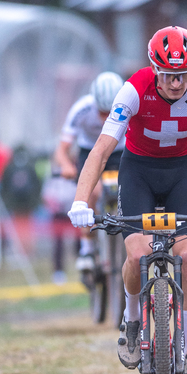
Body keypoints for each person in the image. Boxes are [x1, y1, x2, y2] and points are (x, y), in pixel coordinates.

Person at [67, 25, 187, 374]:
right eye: (167, 75)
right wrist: (80, 201)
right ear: (154, 69)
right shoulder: (133, 89)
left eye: (182, 75)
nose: (176, 83)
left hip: (184, 171)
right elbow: (100, 151)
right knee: (136, 254)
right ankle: (132, 320)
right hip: (139, 171)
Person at [55, 72, 124, 272]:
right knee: (93, 192)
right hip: (90, 151)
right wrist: (67, 165)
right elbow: (61, 149)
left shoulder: (129, 107)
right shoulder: (81, 109)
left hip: (119, 151)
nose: (105, 119)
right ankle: (88, 247)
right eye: (101, 112)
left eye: (109, 113)